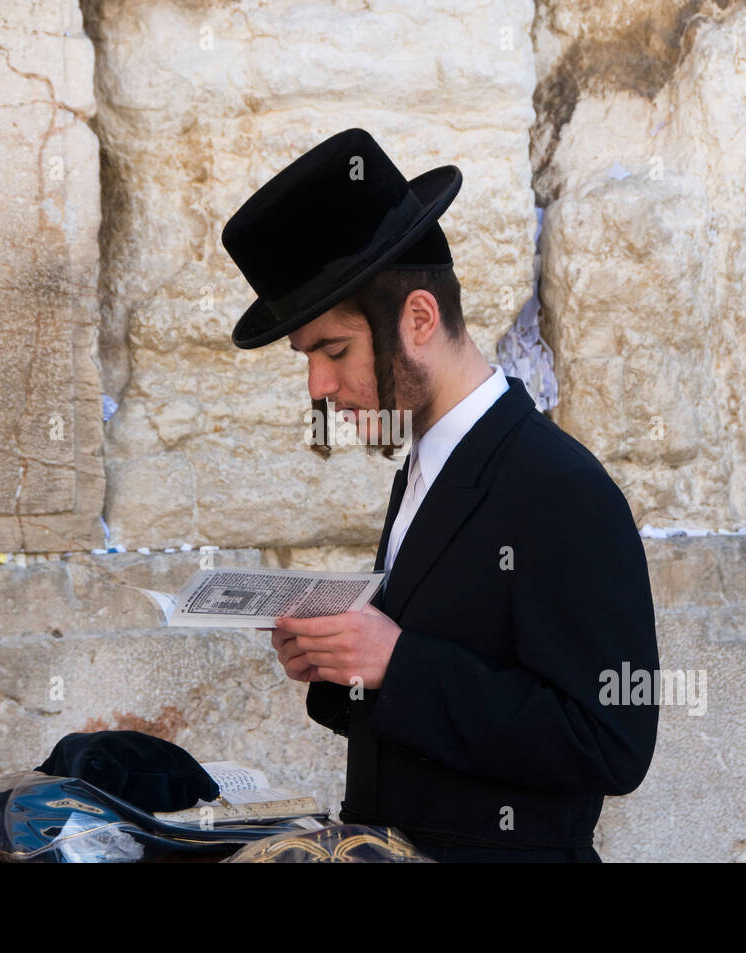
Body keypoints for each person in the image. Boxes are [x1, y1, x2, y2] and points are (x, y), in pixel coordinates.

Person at [221, 128, 659, 862]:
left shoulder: (562, 488)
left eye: (334, 351)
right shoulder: (423, 466)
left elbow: (614, 738)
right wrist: (338, 663)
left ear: (419, 319)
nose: (318, 387)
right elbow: (440, 698)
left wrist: (398, 661)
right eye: (308, 359)